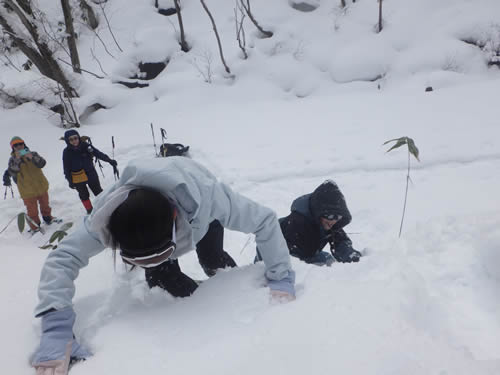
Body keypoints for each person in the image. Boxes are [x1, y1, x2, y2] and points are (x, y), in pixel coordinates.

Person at [32, 157, 295, 375]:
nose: (151, 262)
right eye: (139, 260)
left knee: (212, 259)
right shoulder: (103, 219)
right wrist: (56, 327)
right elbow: (62, 259)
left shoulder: (210, 197)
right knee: (163, 279)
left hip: (199, 217)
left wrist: (280, 277)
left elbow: (264, 221)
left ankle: (227, 291)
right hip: (153, 225)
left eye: (159, 255)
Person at [257, 180, 362, 266]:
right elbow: (292, 263)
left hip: (307, 254)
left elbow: (340, 242)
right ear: (319, 211)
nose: (333, 220)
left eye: (338, 217)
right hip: (273, 258)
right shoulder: (297, 225)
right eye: (329, 216)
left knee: (329, 262)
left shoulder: (330, 222)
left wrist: (351, 258)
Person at [5, 136, 56, 232]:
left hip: (41, 186)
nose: (19, 146)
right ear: (13, 147)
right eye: (16, 145)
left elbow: (42, 163)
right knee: (32, 211)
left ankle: (48, 218)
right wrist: (17, 160)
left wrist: (32, 157)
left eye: (20, 144)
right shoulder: (12, 160)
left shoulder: (33, 154)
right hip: (27, 190)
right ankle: (35, 227)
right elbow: (12, 172)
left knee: (45, 205)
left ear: (24, 144)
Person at [62, 129, 117, 214]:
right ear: (67, 141)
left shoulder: (86, 146)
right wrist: (70, 180)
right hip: (77, 177)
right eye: (71, 139)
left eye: (75, 138)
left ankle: (105, 207)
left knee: (98, 192)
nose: (74, 141)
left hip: (91, 174)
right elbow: (66, 168)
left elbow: (97, 153)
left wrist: (109, 160)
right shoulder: (66, 152)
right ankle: (90, 211)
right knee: (84, 195)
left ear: (78, 137)